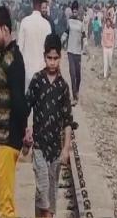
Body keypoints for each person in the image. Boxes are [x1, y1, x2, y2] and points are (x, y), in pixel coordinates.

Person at [25, 34, 73, 218]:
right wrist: (26, 131)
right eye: (49, 58)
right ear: (44, 57)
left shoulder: (63, 87)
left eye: (55, 58)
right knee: (42, 189)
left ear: (60, 57)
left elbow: (68, 120)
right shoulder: (37, 81)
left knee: (51, 196)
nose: (52, 62)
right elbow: (26, 107)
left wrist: (66, 148)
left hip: (55, 149)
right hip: (39, 147)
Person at [0, 6, 28, 218]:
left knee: (5, 207)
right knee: (4, 200)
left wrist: (23, 134)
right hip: (4, 142)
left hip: (8, 142)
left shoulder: (12, 60)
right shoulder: (7, 56)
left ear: (5, 29)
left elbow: (19, 102)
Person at [18, 0, 52, 91]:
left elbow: (19, 49)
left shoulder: (25, 22)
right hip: (42, 71)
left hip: (27, 71)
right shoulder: (46, 25)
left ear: (32, 3)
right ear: (41, 4)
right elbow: (49, 49)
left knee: (28, 102)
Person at [62, 1, 85, 106]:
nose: (75, 12)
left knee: (78, 75)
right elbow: (66, 32)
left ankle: (77, 91)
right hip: (70, 51)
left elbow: (84, 35)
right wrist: (61, 41)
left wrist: (86, 45)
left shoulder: (81, 22)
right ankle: (74, 96)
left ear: (78, 11)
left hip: (78, 52)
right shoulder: (69, 22)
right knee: (72, 74)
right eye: (73, 10)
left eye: (76, 11)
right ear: (72, 11)